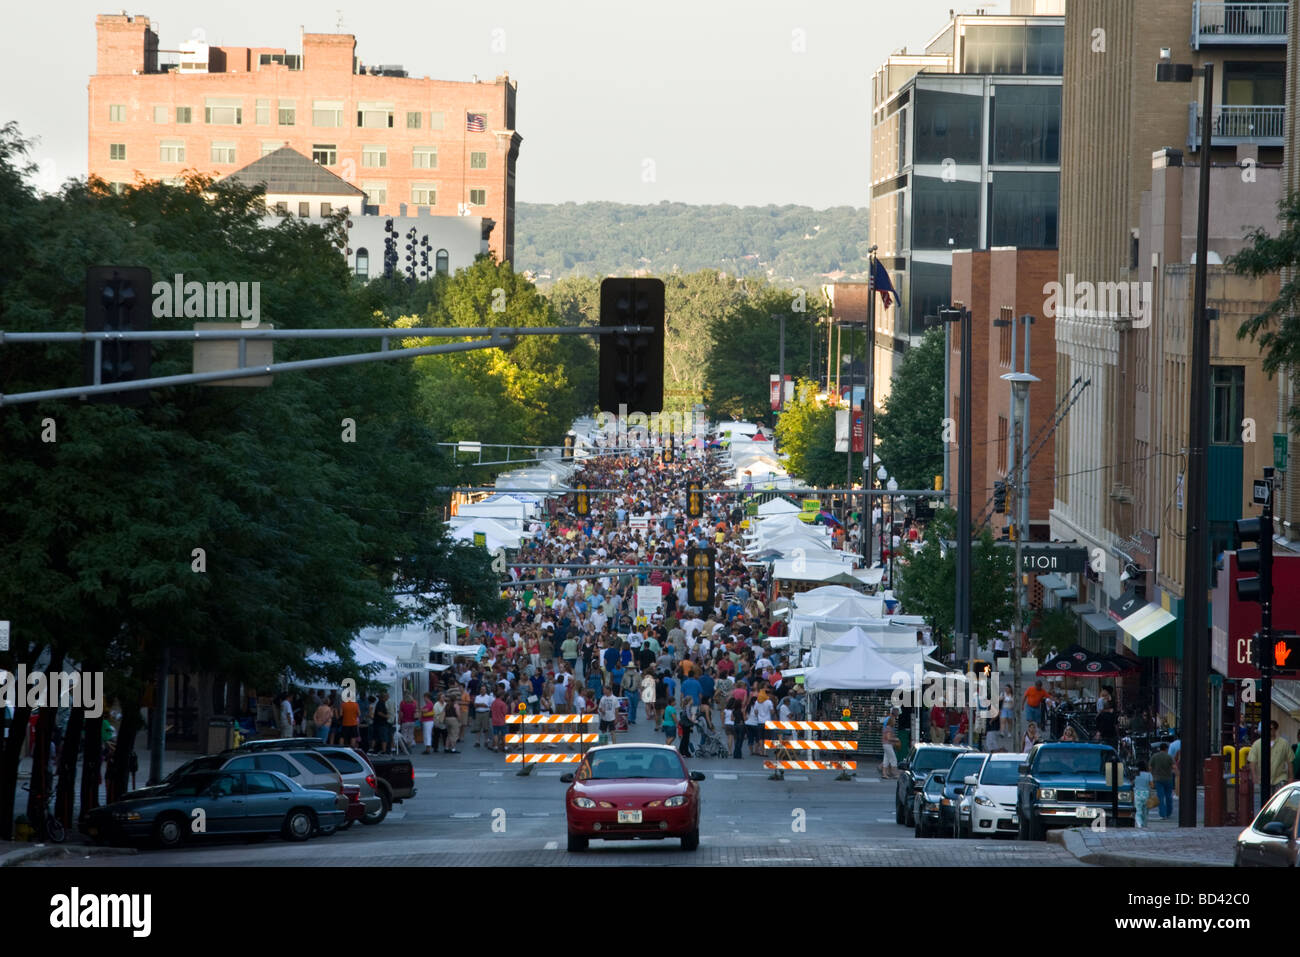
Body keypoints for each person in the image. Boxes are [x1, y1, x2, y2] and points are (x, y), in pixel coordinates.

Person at [1150, 742, 1175, 819]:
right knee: (1168, 796)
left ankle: (1162, 814)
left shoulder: (1154, 756)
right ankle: (1168, 812)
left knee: (1160, 797)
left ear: (1159, 749)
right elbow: (1174, 767)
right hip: (1168, 778)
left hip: (1158, 779)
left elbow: (1150, 768)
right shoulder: (1169, 757)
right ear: (1166, 749)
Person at [1133, 760, 1153, 828]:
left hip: (1137, 794)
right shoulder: (1149, 774)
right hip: (1146, 794)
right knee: (1145, 812)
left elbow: (1131, 783)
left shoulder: (1135, 774)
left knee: (1138, 811)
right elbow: (1152, 785)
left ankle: (1139, 824)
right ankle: (1144, 825)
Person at [881, 714, 900, 779]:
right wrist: (896, 739)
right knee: (893, 759)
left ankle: (884, 774)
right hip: (888, 745)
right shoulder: (889, 728)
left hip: (885, 744)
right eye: (894, 720)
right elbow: (888, 738)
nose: (895, 722)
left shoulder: (886, 727)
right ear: (891, 721)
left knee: (886, 759)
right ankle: (894, 773)